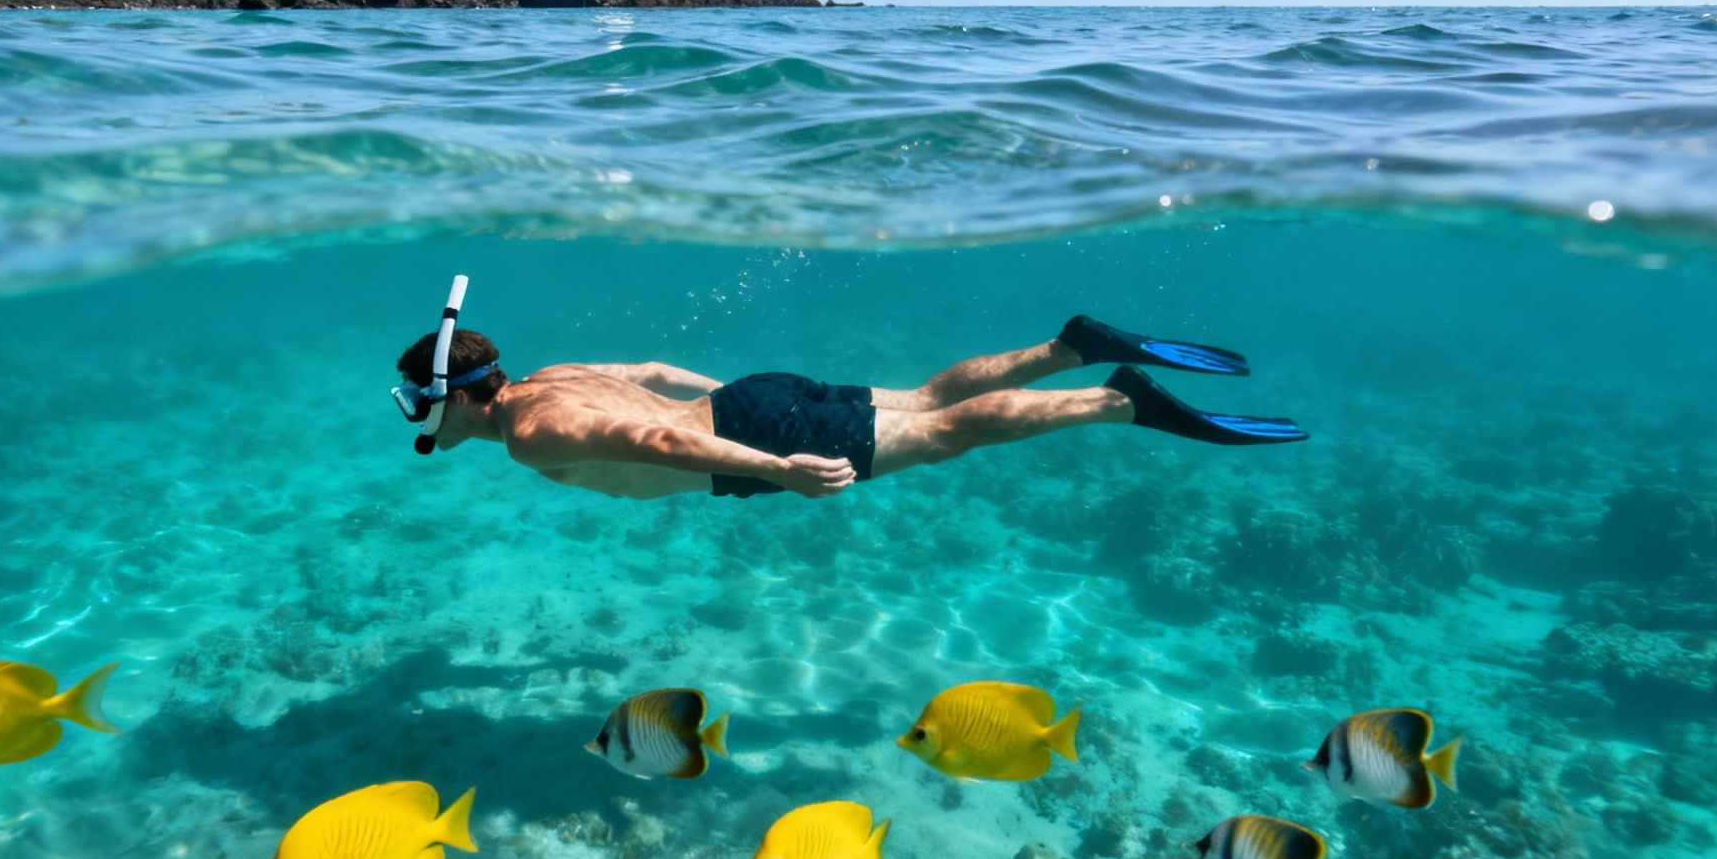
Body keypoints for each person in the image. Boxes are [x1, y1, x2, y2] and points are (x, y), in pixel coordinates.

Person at [396, 316, 1305, 500]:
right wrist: (735, 399)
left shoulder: (528, 432)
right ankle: (1073, 344)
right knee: (921, 398)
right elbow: (649, 370)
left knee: (944, 434)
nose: (414, 417)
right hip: (750, 398)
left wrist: (778, 468)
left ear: (449, 397)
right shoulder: (550, 374)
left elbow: (651, 438)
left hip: (750, 434)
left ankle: (1114, 400)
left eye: (413, 402)